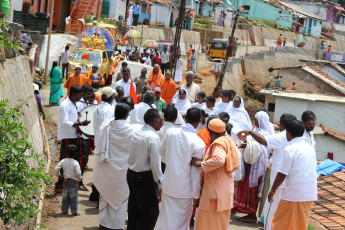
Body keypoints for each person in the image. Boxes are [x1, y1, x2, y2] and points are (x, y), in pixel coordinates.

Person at [237, 113, 297, 230]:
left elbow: (264, 141)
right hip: (292, 184)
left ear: (283, 125)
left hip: (279, 182)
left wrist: (250, 132)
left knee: (272, 213)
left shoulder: (282, 136)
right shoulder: (301, 139)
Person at [156, 108, 206, 230]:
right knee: (181, 224)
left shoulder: (170, 133)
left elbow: (161, 154)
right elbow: (195, 172)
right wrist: (196, 194)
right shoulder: (198, 142)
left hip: (169, 184)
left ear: (184, 118)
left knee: (166, 219)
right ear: (198, 121)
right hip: (185, 189)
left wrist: (172, 161)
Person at [268, 120, 317, 230]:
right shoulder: (309, 148)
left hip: (294, 194)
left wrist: (272, 190)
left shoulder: (290, 149)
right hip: (309, 194)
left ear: (288, 133)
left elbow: (282, 174)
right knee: (299, 225)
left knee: (279, 223)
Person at [194, 118, 240, 230]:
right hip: (224, 191)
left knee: (206, 225)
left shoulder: (219, 143)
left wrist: (202, 164)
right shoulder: (229, 140)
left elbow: (219, 160)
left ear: (211, 133)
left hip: (214, 195)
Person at [93, 103, 133, 230]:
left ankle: (103, 224)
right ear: (127, 115)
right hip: (122, 170)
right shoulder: (131, 130)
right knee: (120, 199)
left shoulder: (106, 126)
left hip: (107, 166)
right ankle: (117, 226)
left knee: (106, 193)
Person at [127, 109, 164, 230]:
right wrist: (160, 184)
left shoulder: (136, 131)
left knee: (135, 211)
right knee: (150, 213)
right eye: (161, 120)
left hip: (132, 174)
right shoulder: (153, 137)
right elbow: (155, 165)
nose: (162, 123)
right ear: (155, 121)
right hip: (144, 178)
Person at [55, 85, 90, 191]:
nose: (80, 97)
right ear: (73, 94)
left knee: (77, 158)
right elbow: (65, 122)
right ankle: (60, 184)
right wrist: (79, 124)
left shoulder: (76, 103)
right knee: (65, 160)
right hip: (68, 136)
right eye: (79, 95)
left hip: (76, 135)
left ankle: (74, 182)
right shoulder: (64, 105)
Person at [55, 144, 82, 216]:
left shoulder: (63, 161)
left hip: (65, 181)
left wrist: (59, 175)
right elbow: (78, 173)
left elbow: (56, 169)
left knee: (65, 196)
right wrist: (79, 178)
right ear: (76, 154)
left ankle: (64, 210)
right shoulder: (76, 163)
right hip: (73, 182)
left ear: (66, 152)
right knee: (74, 197)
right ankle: (74, 211)